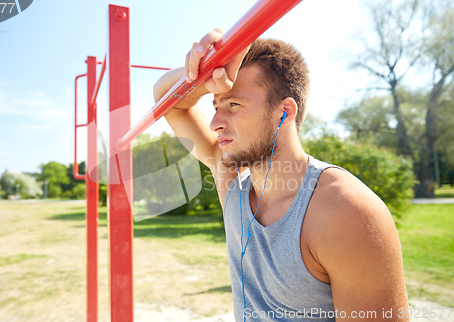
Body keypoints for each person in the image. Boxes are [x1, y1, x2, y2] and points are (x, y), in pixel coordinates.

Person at [153, 28, 409, 321]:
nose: (215, 123)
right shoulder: (235, 188)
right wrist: (207, 71)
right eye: (215, 105)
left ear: (284, 113)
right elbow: (165, 97)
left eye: (233, 105)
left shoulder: (346, 210)